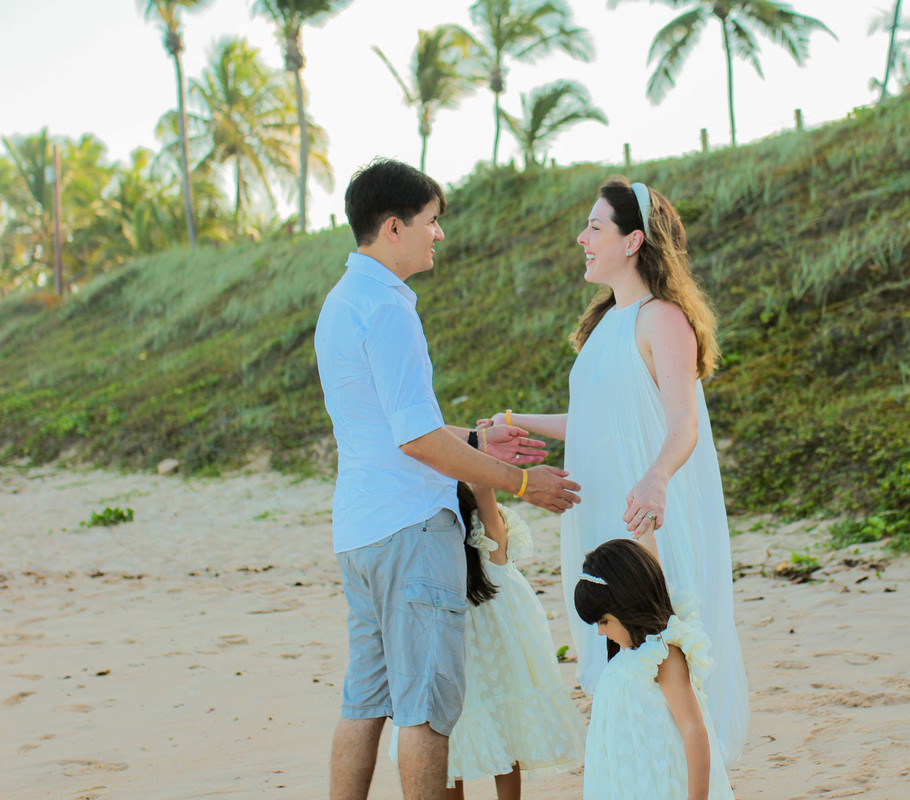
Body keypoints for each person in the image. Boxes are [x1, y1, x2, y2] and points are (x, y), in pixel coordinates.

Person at [314, 158, 581, 800]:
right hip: (409, 529)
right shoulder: (388, 309)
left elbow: (392, 427)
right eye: (432, 222)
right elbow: (416, 441)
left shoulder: (342, 300)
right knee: (428, 709)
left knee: (366, 700)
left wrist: (476, 438)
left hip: (359, 532)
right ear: (394, 225)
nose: (439, 235)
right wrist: (522, 484)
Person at [488, 176, 747, 764]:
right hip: (602, 517)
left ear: (633, 241)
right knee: (620, 655)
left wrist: (656, 477)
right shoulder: (606, 325)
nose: (583, 238)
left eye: (595, 227)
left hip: (646, 520)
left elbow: (684, 422)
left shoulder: (663, 319)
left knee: (662, 658)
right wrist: (513, 419)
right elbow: (592, 419)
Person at [389, 468, 586, 798]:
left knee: (450, 738)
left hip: (451, 661)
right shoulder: (487, 547)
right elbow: (483, 495)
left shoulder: (439, 559)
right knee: (505, 733)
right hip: (499, 662)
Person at [574, 538, 734, 800]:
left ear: (629, 604)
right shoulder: (630, 653)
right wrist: (646, 530)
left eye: (604, 621)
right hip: (627, 780)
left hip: (662, 782)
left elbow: (693, 728)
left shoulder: (662, 655)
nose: (601, 632)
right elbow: (647, 574)